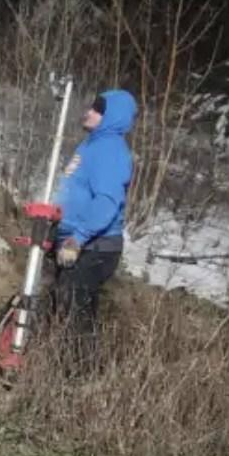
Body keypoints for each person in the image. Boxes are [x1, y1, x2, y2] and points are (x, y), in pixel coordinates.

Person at [51, 89, 137, 371]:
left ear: (113, 117)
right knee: (63, 306)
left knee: (75, 312)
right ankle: (55, 369)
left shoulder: (110, 151)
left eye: (98, 109)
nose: (89, 112)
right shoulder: (91, 145)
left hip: (94, 246)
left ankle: (77, 375)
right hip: (74, 240)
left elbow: (107, 202)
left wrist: (78, 238)